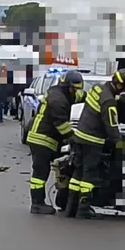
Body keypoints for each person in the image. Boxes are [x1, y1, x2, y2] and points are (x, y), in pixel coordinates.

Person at [67, 68, 125, 219]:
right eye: (124, 88)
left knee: (77, 173)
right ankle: (83, 209)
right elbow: (111, 126)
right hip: (92, 141)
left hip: (79, 137)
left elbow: (98, 105)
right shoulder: (109, 102)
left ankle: (70, 208)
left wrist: (119, 101)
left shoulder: (97, 88)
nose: (123, 91)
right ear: (119, 85)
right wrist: (121, 145)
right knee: (89, 176)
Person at [27, 70, 86, 215]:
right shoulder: (58, 100)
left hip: (43, 137)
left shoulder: (59, 92)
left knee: (46, 169)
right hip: (41, 139)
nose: (75, 92)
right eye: (74, 89)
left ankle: (39, 202)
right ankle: (37, 204)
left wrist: (91, 96)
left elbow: (78, 97)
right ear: (67, 86)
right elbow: (62, 125)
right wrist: (74, 139)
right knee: (40, 173)